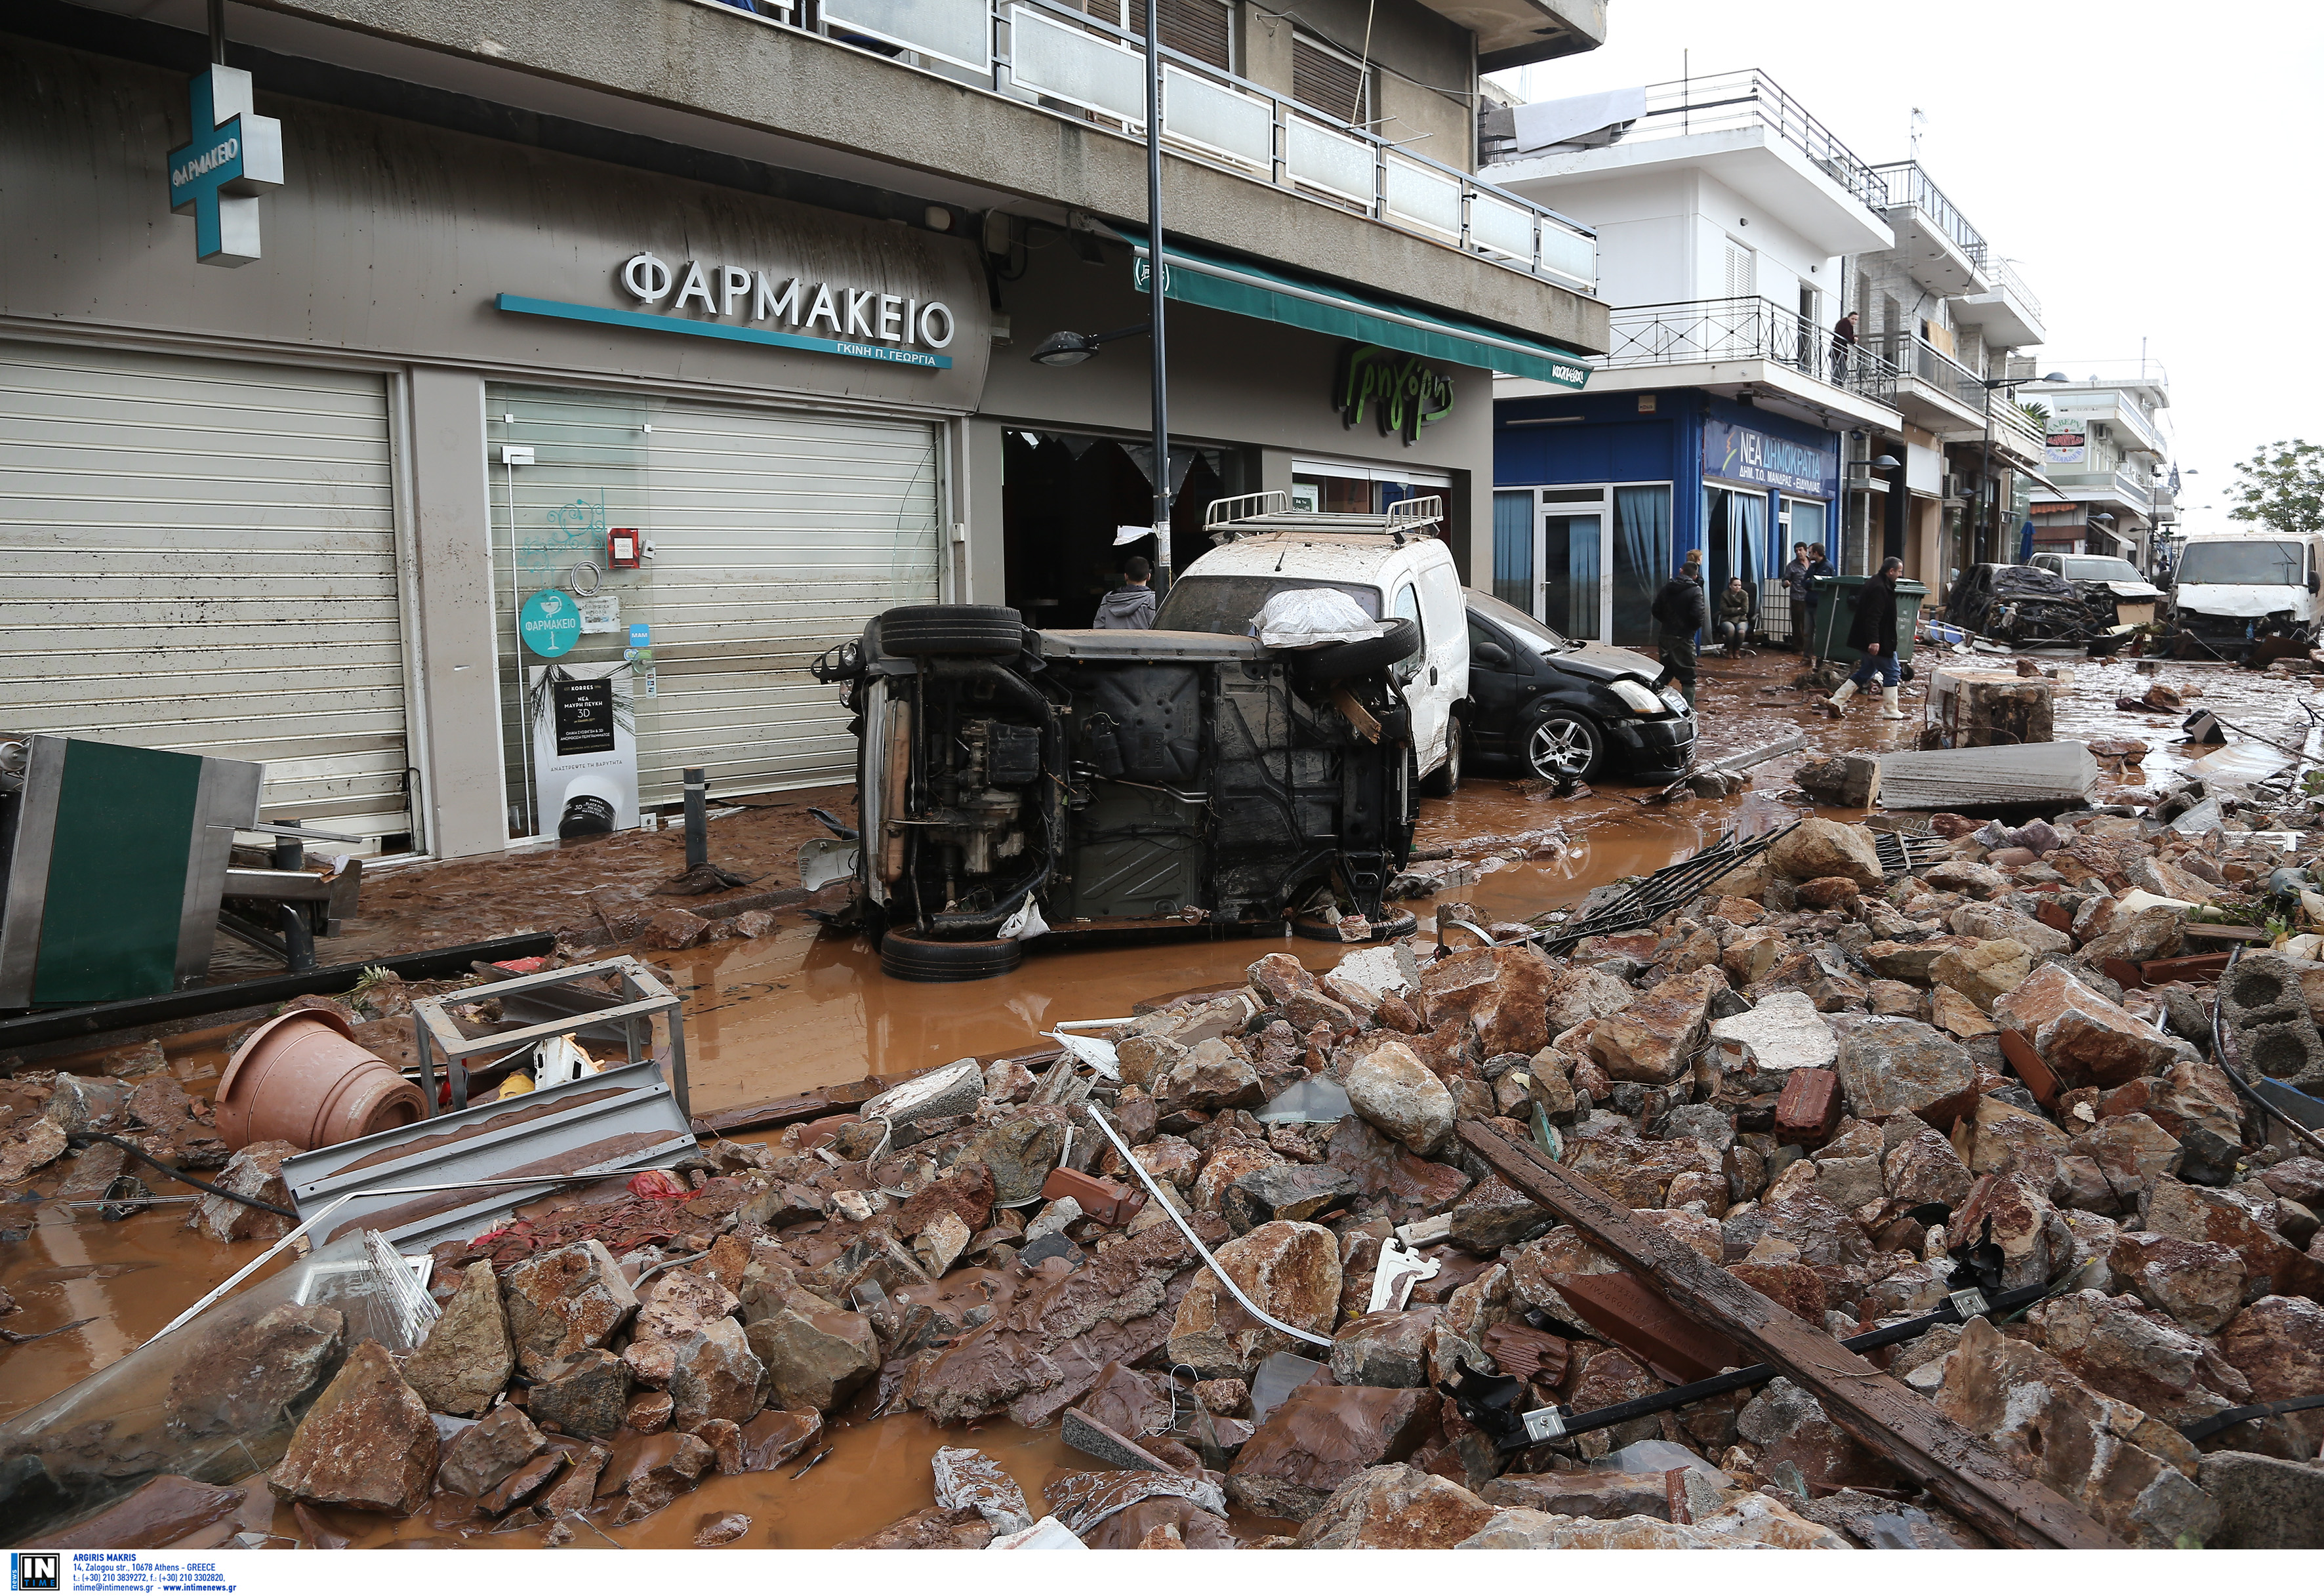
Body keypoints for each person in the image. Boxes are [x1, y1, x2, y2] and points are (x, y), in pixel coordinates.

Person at [1822, 555, 1907, 720]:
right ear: (1891, 571)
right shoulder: (1880, 588)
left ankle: (1837, 701)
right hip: (1878, 639)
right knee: (1892, 672)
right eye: (1899, 571)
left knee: (1867, 671)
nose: (1900, 575)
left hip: (1865, 638)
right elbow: (1873, 617)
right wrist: (1874, 641)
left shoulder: (1876, 582)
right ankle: (1891, 710)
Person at [1650, 558, 1708, 705]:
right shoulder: (1696, 591)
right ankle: (1689, 709)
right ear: (1695, 576)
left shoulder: (1667, 587)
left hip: (1666, 634)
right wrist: (1690, 629)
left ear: (1681, 571)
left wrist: (1667, 622)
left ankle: (1649, 700)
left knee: (1665, 672)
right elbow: (1698, 615)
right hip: (1684, 637)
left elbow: (1656, 609)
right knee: (1688, 677)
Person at [1795, 541, 1832, 667]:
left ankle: (1821, 660)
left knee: (1820, 634)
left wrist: (1811, 582)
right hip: (1809, 603)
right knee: (1807, 632)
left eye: (1810, 552)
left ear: (1816, 553)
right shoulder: (1813, 566)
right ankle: (1807, 657)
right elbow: (1804, 582)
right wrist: (1812, 583)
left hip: (1820, 604)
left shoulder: (1827, 566)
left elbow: (1821, 584)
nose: (1808, 554)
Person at [1091, 555, 1156, 628]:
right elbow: (1157, 629)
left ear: (1126, 576)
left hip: (1113, 637)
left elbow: (1098, 628)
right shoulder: (1152, 600)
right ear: (1149, 576)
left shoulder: (1108, 598)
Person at [1716, 576, 1755, 657]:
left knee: (1741, 631)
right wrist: (1737, 609)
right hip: (1727, 619)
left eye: (1739, 585)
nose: (1738, 587)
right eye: (1735, 585)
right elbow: (1724, 610)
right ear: (1730, 586)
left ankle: (1737, 651)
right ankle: (1729, 650)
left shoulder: (1744, 594)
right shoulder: (1725, 594)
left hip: (1742, 619)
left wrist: (1731, 610)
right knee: (1731, 630)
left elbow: (1745, 610)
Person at [1830, 310, 1858, 381]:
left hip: (1840, 350)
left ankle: (1838, 384)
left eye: (1856, 320)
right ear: (1849, 318)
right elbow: (1847, 336)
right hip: (1838, 349)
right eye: (1852, 319)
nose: (1854, 321)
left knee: (1841, 371)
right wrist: (1853, 339)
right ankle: (1836, 385)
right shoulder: (1845, 323)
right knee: (1839, 371)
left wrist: (1852, 339)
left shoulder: (1847, 324)